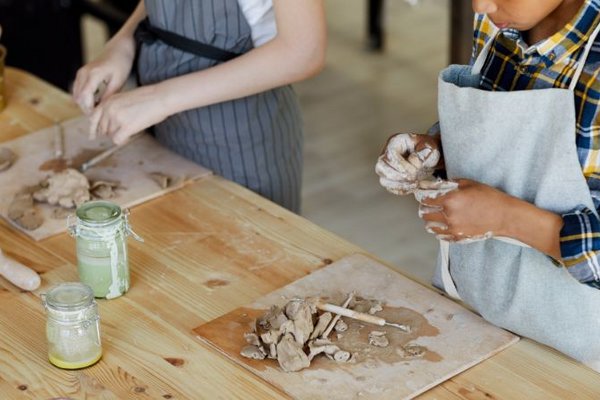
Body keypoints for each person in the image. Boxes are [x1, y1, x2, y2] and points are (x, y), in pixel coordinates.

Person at [376, 0, 600, 370]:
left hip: (576, 360)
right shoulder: (498, 20)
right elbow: (515, 142)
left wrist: (505, 218)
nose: (480, 6)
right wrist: (436, 150)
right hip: (479, 311)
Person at [72, 0, 326, 213]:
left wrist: (159, 99)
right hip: (163, 121)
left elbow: (304, 52)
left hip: (240, 138)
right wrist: (122, 44)